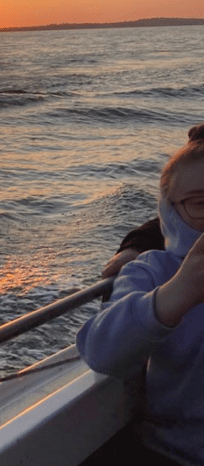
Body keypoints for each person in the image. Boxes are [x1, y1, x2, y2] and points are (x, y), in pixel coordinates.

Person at [77, 124, 204, 465]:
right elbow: (100, 351)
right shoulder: (153, 271)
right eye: (201, 204)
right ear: (170, 210)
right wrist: (175, 296)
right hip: (171, 451)